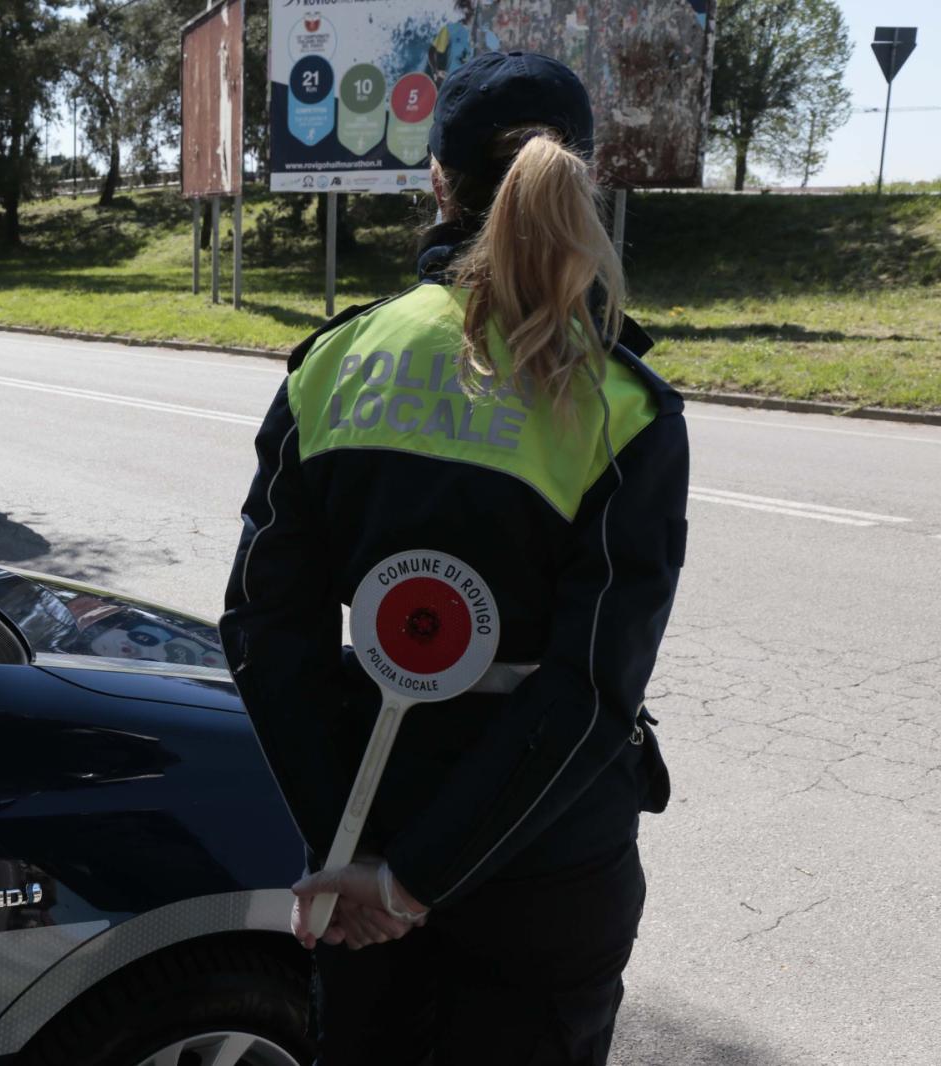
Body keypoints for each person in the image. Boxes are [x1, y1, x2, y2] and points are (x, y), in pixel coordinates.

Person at [220, 51, 688, 1065]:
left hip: (366, 830)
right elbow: (589, 690)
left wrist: (356, 858)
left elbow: (264, 628)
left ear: (437, 180)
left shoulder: (334, 365)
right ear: (581, 181)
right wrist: (415, 881)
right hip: (546, 866)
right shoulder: (623, 404)